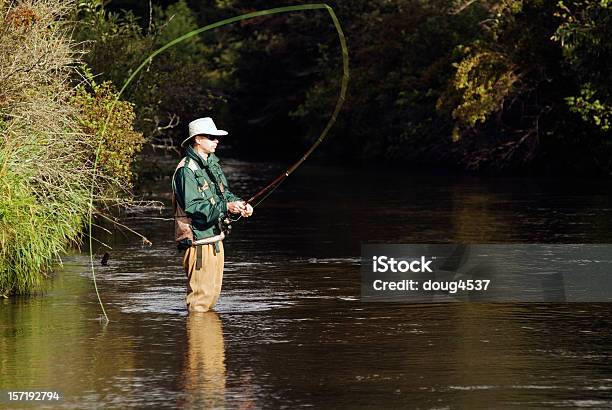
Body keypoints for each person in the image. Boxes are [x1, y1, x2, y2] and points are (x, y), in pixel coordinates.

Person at [172, 117, 253, 312]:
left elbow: (224, 195)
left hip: (216, 238)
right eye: (212, 137)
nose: (217, 141)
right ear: (198, 139)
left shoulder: (212, 164)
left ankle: (211, 342)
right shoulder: (186, 171)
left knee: (211, 299)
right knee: (200, 303)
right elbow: (195, 208)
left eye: (217, 137)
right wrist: (227, 207)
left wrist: (240, 204)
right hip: (198, 242)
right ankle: (199, 341)